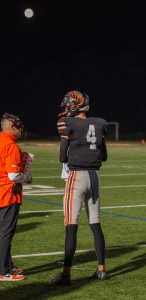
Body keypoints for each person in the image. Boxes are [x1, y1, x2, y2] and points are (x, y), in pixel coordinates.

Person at [51, 90, 108, 285]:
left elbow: (61, 158)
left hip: (76, 177)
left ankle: (66, 274)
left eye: (68, 104)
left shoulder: (68, 124)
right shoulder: (99, 123)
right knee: (95, 224)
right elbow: (104, 156)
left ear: (76, 105)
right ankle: (102, 270)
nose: (66, 108)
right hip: (95, 177)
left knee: (71, 225)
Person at [0, 112, 32, 282]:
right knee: (6, 233)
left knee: (3, 232)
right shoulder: (11, 146)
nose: (20, 130)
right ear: (12, 127)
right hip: (8, 195)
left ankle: (8, 265)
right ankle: (3, 272)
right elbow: (13, 176)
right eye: (18, 126)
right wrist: (28, 178)